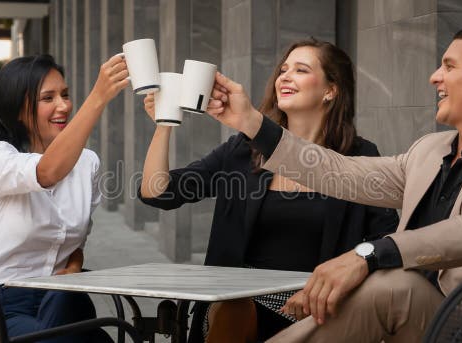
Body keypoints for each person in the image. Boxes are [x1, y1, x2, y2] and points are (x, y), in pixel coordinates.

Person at [205, 23, 462, 342]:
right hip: (406, 323)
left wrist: (367, 255)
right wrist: (251, 123)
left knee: (393, 285)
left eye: (449, 66)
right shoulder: (429, 150)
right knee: (375, 288)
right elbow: (341, 173)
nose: (434, 76)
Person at [138, 38, 399, 342]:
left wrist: (341, 284)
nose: (285, 76)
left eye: (301, 70)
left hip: (317, 309)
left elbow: (388, 238)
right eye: (283, 69)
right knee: (238, 311)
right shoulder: (242, 150)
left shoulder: (359, 156)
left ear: (331, 89)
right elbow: (159, 192)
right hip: (239, 305)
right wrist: (164, 121)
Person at [0, 54, 128, 342]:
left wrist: (72, 270)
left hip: (61, 299)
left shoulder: (87, 163)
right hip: (3, 304)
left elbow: (75, 243)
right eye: (48, 98)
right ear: (19, 108)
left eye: (66, 95)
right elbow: (47, 172)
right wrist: (98, 97)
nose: (64, 106)